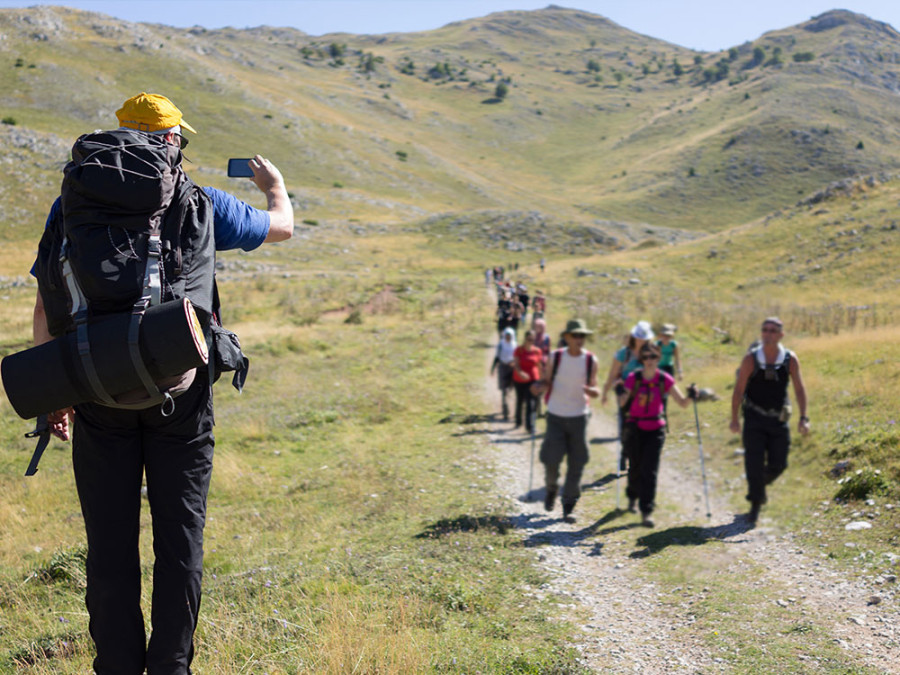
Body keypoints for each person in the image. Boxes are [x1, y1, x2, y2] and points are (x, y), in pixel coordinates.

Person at [30, 92, 294, 674]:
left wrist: (57, 393)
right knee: (180, 540)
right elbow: (282, 229)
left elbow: (49, 301)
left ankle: (117, 667)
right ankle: (172, 666)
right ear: (173, 139)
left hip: (97, 391)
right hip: (182, 395)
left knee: (109, 544)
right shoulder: (201, 200)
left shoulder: (71, 204)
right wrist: (274, 187)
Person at [730, 317, 810, 525]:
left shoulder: (790, 359)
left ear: (781, 335)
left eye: (773, 331)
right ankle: (755, 506)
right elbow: (738, 390)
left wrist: (803, 417)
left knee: (779, 464)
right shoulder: (751, 359)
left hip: (778, 418)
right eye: (765, 330)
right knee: (754, 463)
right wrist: (734, 419)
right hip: (754, 417)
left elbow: (799, 388)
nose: (768, 334)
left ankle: (758, 486)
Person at [533, 319, 599, 522]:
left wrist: (591, 391)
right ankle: (552, 487)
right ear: (567, 337)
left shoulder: (590, 360)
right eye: (576, 335)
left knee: (577, 462)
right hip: (556, 416)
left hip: (579, 417)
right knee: (551, 459)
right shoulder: (555, 357)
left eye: (582, 336)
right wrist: (539, 387)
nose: (579, 339)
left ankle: (568, 505)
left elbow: (596, 390)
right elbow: (546, 381)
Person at [621, 344, 693, 527]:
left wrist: (692, 395)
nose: (650, 360)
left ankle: (646, 511)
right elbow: (623, 403)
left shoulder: (665, 379)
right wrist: (619, 391)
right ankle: (632, 496)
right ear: (642, 360)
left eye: (653, 356)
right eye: (646, 357)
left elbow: (683, 403)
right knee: (635, 467)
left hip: (656, 429)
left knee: (649, 470)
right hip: (635, 427)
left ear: (658, 358)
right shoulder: (633, 378)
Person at [600, 320, 654, 470]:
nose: (642, 340)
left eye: (644, 338)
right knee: (626, 425)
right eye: (639, 337)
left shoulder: (650, 354)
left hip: (643, 394)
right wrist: (605, 393)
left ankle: (635, 456)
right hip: (624, 393)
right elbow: (612, 374)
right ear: (634, 337)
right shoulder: (624, 353)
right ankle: (624, 454)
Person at [512, 330, 542, 432]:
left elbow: (539, 366)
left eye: (533, 340)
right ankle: (518, 421)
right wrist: (521, 373)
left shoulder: (537, 351)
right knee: (520, 400)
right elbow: (516, 364)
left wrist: (541, 380)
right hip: (519, 380)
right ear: (525, 339)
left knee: (531, 402)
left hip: (533, 380)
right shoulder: (519, 350)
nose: (531, 342)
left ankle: (530, 426)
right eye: (529, 339)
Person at [490, 327, 517, 421]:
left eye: (510, 336)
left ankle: (508, 407)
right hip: (503, 368)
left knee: (510, 389)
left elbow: (517, 359)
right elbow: (497, 357)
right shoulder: (501, 345)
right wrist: (493, 369)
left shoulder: (515, 346)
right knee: (504, 390)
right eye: (507, 335)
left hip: (512, 369)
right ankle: (505, 410)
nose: (508, 337)